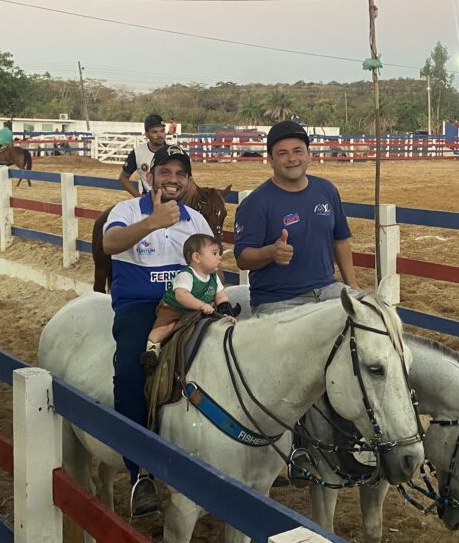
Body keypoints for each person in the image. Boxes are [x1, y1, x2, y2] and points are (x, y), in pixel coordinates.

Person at [102, 144, 213, 516]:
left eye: (181, 173)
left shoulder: (196, 220)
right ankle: (139, 473)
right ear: (150, 175)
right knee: (131, 371)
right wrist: (153, 222)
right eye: (165, 171)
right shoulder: (127, 210)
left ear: (187, 180)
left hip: (189, 307)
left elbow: (212, 267)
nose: (173, 179)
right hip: (139, 306)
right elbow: (109, 243)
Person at [233, 120, 359, 316]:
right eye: (282, 153)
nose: (292, 158)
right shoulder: (256, 203)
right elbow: (242, 259)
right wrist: (271, 252)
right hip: (278, 300)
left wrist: (351, 285)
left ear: (309, 155)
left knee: (372, 321)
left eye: (298, 151)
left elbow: (341, 240)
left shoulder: (326, 190)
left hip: (328, 290)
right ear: (270, 160)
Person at [143, 233, 235, 368]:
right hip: (174, 309)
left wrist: (226, 311)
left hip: (197, 311)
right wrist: (202, 305)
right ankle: (152, 350)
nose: (219, 257)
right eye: (214, 253)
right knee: (165, 328)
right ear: (197, 257)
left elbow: (220, 295)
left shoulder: (213, 278)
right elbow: (182, 296)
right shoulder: (186, 275)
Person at [118, 114, 169, 197]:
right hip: (149, 201)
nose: (160, 135)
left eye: (162, 131)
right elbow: (123, 178)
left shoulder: (175, 150)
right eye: (155, 132)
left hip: (172, 200)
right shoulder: (137, 153)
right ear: (147, 134)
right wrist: (139, 197)